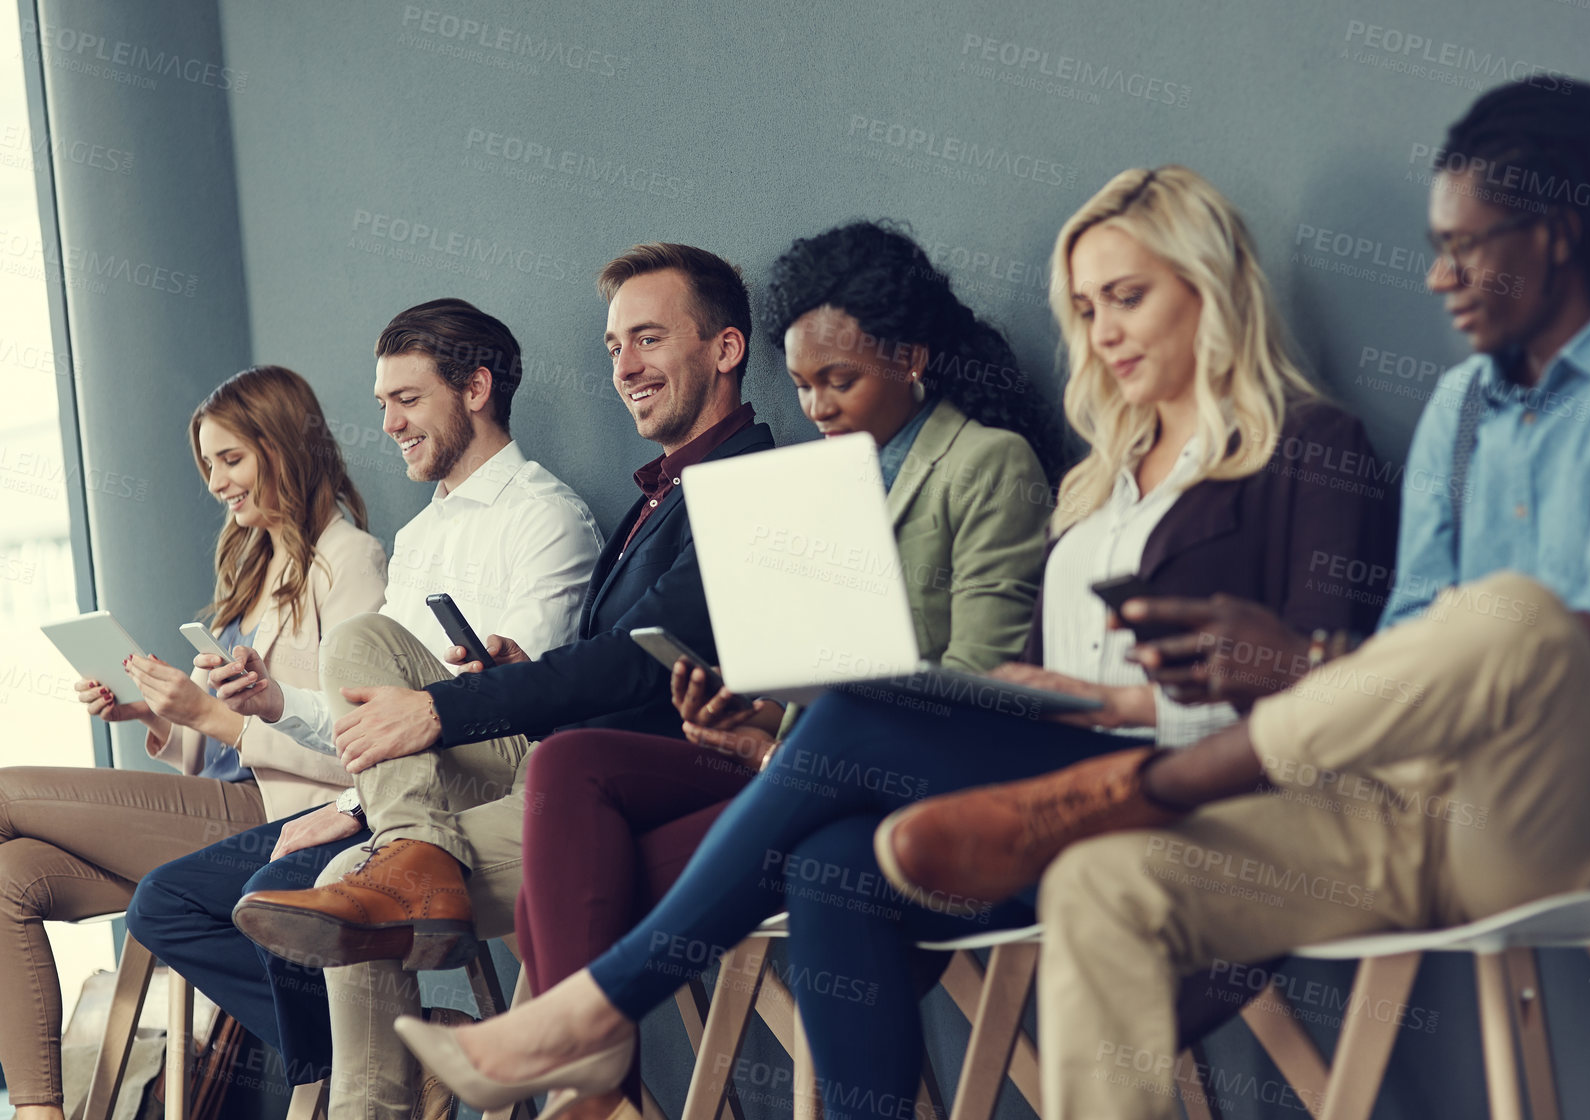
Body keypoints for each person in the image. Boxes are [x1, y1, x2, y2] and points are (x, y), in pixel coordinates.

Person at [388, 166, 1399, 1120]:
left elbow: (1330, 694)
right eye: (1085, 310)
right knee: (829, 860)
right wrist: (1036, 689)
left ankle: (590, 1008)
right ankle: (597, 1010)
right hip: (1053, 795)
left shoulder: (1308, 449)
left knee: (860, 709)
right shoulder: (1098, 483)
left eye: (1126, 297)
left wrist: (1129, 704)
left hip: (1204, 792)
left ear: (1210, 286)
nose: (1103, 332)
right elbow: (1039, 672)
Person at [871, 80, 1590, 1119]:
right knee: (1099, 886)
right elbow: (1406, 656)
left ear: (1558, 236)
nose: (1436, 275)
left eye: (1464, 244)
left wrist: (1298, 669)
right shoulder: (1460, 409)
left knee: (1511, 614)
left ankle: (1139, 786)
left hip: (1589, 805)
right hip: (1404, 805)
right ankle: (1121, 817)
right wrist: (1301, 670)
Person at [512, 220, 1062, 1118]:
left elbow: (979, 682)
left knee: (585, 881)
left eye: (836, 380)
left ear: (912, 357)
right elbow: (828, 676)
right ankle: (589, 1079)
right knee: (568, 773)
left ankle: (581, 1053)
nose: (814, 406)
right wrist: (763, 725)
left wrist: (806, 726)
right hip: (823, 769)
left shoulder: (985, 463)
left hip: (932, 774)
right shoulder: (834, 484)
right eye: (803, 384)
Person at [228, 244, 777, 1120]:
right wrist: (506, 678)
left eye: (646, 340)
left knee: (359, 886)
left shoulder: (750, 482)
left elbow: (643, 655)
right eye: (611, 348)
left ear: (725, 349)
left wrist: (447, 707)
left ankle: (414, 874)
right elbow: (610, 661)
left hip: (637, 781)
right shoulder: (654, 501)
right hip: (555, 769)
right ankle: (412, 858)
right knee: (366, 670)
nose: (625, 367)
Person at [127, 299, 600, 1089]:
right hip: (396, 788)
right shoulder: (419, 540)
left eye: (407, 401)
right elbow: (366, 712)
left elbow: (523, 700)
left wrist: (350, 810)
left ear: (476, 389)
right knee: (168, 901)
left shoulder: (545, 518)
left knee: (311, 865)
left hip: (491, 775)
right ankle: (399, 1052)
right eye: (383, 404)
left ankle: (395, 875)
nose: (388, 424)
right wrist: (276, 704)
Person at [0, 365, 386, 1120]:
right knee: (10, 875)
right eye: (209, 464)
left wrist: (207, 717)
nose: (216, 482)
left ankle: (362, 1043)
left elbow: (354, 754)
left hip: (284, 816)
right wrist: (154, 715)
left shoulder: (353, 564)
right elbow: (218, 743)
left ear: (284, 447)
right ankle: (40, 1111)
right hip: (219, 803)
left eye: (231, 459)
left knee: (6, 791)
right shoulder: (256, 562)